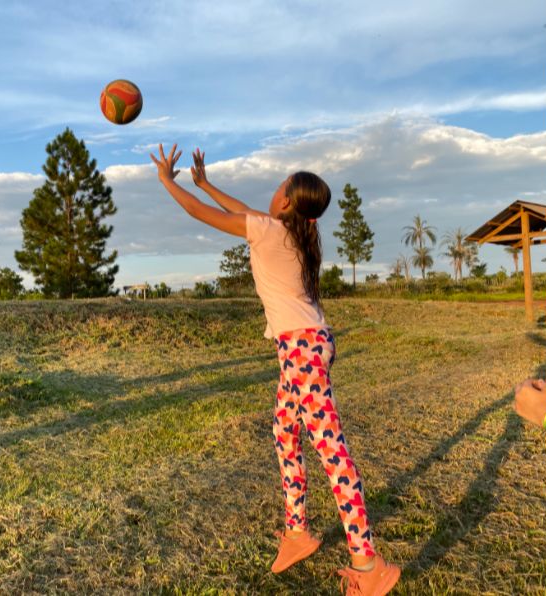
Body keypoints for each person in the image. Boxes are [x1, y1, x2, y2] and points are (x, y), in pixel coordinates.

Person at [150, 145, 400, 595]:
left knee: (332, 453)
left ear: (285, 200)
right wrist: (204, 182)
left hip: (303, 349)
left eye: (280, 185)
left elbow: (199, 214)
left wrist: (170, 182)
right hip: (302, 347)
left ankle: (369, 565)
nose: (275, 190)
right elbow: (242, 211)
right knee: (285, 430)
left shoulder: (268, 231)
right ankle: (298, 532)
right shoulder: (291, 232)